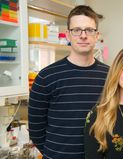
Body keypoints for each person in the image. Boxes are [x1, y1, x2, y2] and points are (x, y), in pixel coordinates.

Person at [28, 5, 109, 159]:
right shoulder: (46, 76)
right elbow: (36, 130)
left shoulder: (110, 76)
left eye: (89, 30)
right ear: (68, 35)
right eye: (76, 30)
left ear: (97, 35)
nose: (83, 35)